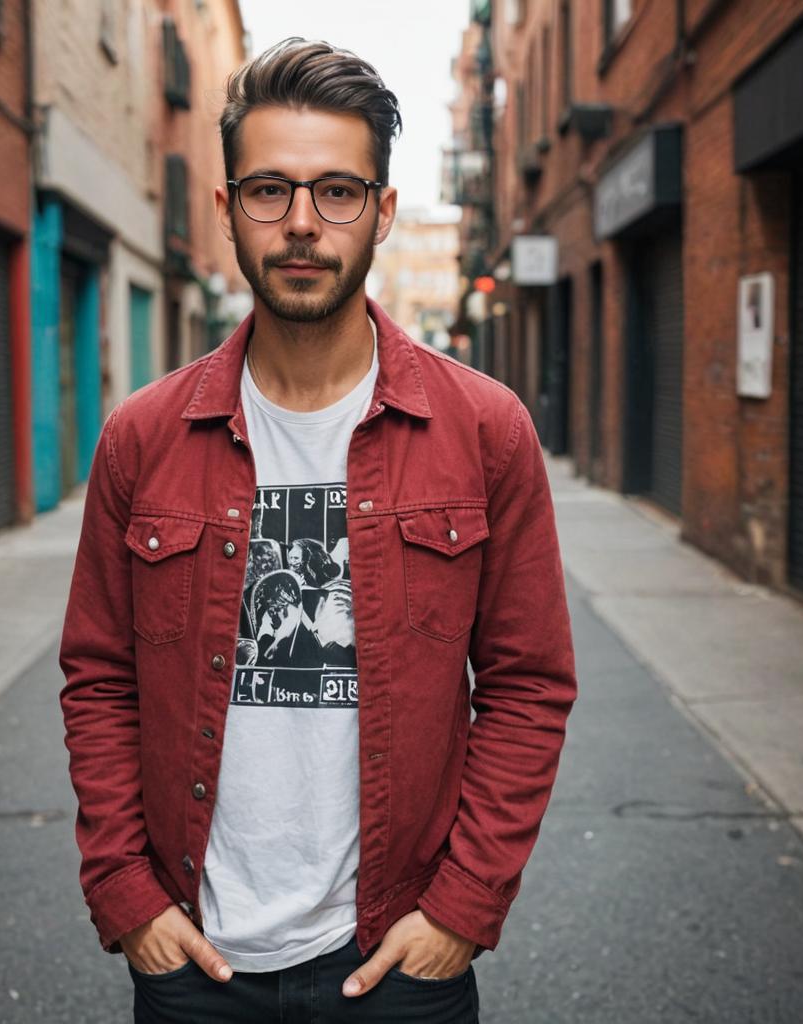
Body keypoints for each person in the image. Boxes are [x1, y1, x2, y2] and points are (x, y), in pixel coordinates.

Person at [59, 37, 578, 1024]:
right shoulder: (142, 435)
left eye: (337, 191)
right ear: (225, 211)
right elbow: (98, 677)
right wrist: (127, 895)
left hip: (395, 957)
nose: (302, 224)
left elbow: (527, 685)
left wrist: (461, 909)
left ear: (383, 211)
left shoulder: (484, 430)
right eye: (269, 191)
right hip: (193, 958)